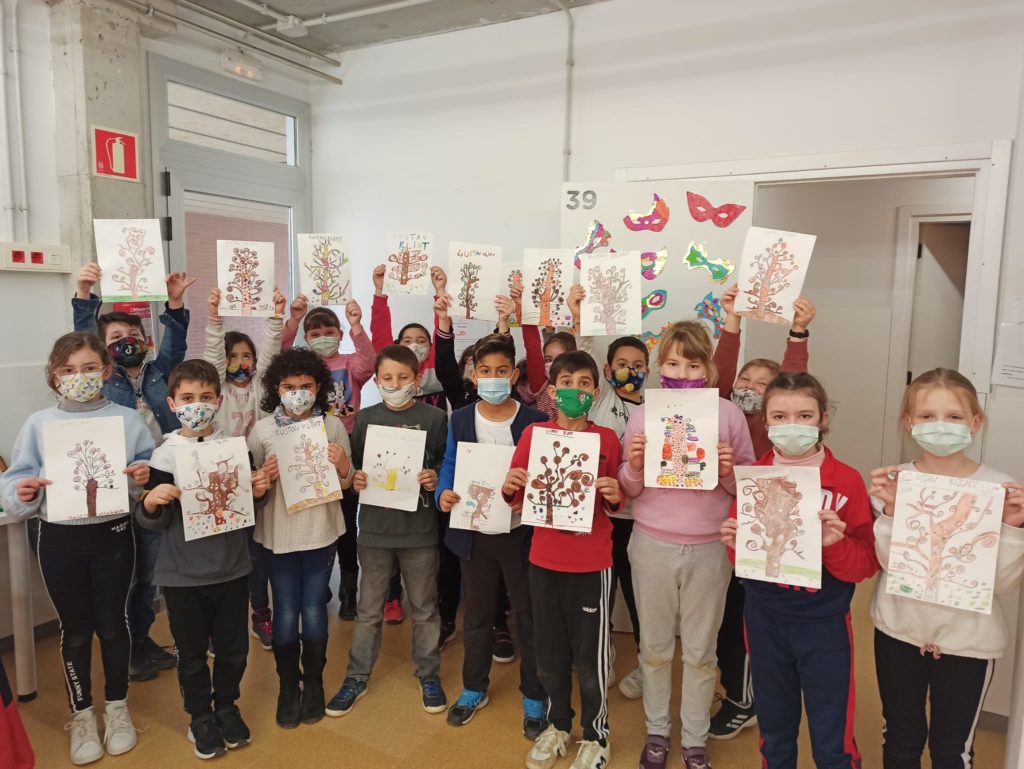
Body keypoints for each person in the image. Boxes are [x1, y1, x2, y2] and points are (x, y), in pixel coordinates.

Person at [0, 332, 154, 765]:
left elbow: (149, 469)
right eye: (68, 370)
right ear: (54, 376)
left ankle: (117, 707)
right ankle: (82, 713)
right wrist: (23, 492)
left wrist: (144, 476)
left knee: (114, 624)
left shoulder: (127, 420)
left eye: (88, 368)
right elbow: (16, 480)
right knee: (76, 629)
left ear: (105, 371)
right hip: (59, 539)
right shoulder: (39, 424)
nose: (79, 377)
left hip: (113, 535)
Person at [721, 371, 879, 769]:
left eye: (804, 415)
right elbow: (745, 561)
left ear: (823, 418)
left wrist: (834, 545)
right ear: (765, 421)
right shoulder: (755, 479)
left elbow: (864, 563)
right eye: (780, 416)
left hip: (823, 624)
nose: (792, 426)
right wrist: (735, 545)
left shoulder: (846, 482)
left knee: (832, 738)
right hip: (764, 619)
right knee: (774, 731)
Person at [869, 368, 1024, 769]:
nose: (940, 425)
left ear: (975, 422)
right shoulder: (896, 482)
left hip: (968, 643)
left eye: (954, 416)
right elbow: (890, 565)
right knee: (899, 739)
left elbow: (1002, 584)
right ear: (909, 422)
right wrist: (891, 511)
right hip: (898, 632)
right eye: (927, 416)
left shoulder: (998, 488)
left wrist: (1012, 527)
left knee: (952, 750)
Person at [619, 321, 754, 769]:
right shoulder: (643, 415)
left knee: (700, 652)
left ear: (709, 368)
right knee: (655, 649)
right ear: (660, 367)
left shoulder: (728, 416)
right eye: (674, 364)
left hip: (710, 549)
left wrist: (730, 472)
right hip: (652, 543)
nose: (683, 372)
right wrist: (634, 465)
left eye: (693, 365)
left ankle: (694, 738)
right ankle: (657, 732)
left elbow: (747, 490)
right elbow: (629, 489)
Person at [137, 359, 270, 758]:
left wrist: (258, 491)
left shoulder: (235, 449)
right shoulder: (164, 457)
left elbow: (248, 508)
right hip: (182, 575)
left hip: (232, 568)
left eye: (206, 397)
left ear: (219, 400)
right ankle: (199, 716)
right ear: (173, 404)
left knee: (233, 650)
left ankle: (227, 706)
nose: (197, 405)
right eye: (187, 398)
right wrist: (152, 502)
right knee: (192, 654)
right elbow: (153, 520)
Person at [503, 350, 623, 769]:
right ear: (552, 391)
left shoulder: (607, 439)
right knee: (549, 652)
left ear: (596, 391)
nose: (575, 390)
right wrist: (510, 484)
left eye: (584, 383)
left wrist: (614, 493)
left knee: (590, 658)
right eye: (567, 383)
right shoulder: (534, 435)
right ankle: (558, 725)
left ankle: (596, 734)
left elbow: (615, 498)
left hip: (591, 562)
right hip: (544, 559)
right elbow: (516, 496)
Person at [73, 262, 193, 681]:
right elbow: (82, 341)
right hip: (116, 488)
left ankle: (141, 639)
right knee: (122, 577)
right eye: (116, 338)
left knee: (150, 575)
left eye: (133, 335)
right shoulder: (102, 382)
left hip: (159, 483)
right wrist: (85, 294)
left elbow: (176, 341)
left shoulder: (160, 372)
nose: (127, 342)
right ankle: (123, 649)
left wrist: (174, 303)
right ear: (102, 350)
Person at [709, 287, 814, 739]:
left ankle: (743, 699)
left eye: (761, 384)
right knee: (722, 621)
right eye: (745, 380)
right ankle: (737, 690)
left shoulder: (774, 431)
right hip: (720, 530)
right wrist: (731, 321)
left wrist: (797, 333)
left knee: (742, 622)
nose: (749, 387)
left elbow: (793, 379)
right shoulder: (722, 413)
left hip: (760, 531)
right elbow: (719, 376)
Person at [436, 333, 549, 737]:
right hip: (475, 533)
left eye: (502, 371)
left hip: (521, 535)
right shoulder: (461, 418)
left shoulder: (535, 421)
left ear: (514, 375)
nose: (493, 378)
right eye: (485, 371)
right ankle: (473, 688)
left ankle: (534, 695)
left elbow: (545, 474)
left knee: (528, 617)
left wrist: (530, 497)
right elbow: (451, 462)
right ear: (474, 374)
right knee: (478, 616)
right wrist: (443, 492)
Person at [325, 345, 449, 717]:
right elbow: (356, 468)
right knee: (368, 610)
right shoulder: (365, 418)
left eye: (403, 377)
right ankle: (356, 676)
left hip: (419, 530)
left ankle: (428, 673)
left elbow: (446, 463)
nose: (395, 385)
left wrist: (435, 477)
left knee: (425, 608)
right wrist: (357, 477)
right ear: (376, 381)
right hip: (375, 530)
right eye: (388, 379)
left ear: (417, 378)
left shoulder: (434, 418)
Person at [248, 348, 355, 729]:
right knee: (285, 609)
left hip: (320, 530)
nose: (298, 394)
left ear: (319, 387)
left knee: (312, 608)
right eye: (289, 387)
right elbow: (252, 489)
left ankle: (313, 682)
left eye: (306, 386)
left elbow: (347, 481)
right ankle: (287, 686)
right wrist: (263, 478)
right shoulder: (262, 431)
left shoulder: (332, 426)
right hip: (277, 532)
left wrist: (342, 464)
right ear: (276, 389)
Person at [567, 283, 650, 697]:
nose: (629, 370)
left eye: (637, 365)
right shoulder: (597, 400)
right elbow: (583, 348)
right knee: (599, 592)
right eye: (621, 364)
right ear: (607, 368)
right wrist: (577, 315)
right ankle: (606, 656)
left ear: (648, 370)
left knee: (638, 595)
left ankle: (646, 661)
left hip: (639, 518)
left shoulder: (654, 409)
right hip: (598, 515)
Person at [204, 286, 286, 651]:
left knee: (254, 553)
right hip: (219, 472)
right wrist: (214, 319)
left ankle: (261, 613)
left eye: (246, 355)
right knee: (219, 552)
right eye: (232, 356)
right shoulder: (216, 390)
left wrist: (275, 318)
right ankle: (216, 623)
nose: (241, 362)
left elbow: (270, 355)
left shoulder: (260, 390)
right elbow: (211, 360)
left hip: (256, 475)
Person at [281, 297, 372, 625]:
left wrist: (356, 325)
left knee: (346, 522)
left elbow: (369, 363)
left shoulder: (350, 364)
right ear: (306, 338)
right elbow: (278, 354)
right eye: (315, 333)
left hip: (345, 446)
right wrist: (294, 320)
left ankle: (348, 586)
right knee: (316, 519)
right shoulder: (303, 370)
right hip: (307, 445)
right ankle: (319, 584)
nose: (323, 337)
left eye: (329, 331)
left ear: (339, 334)